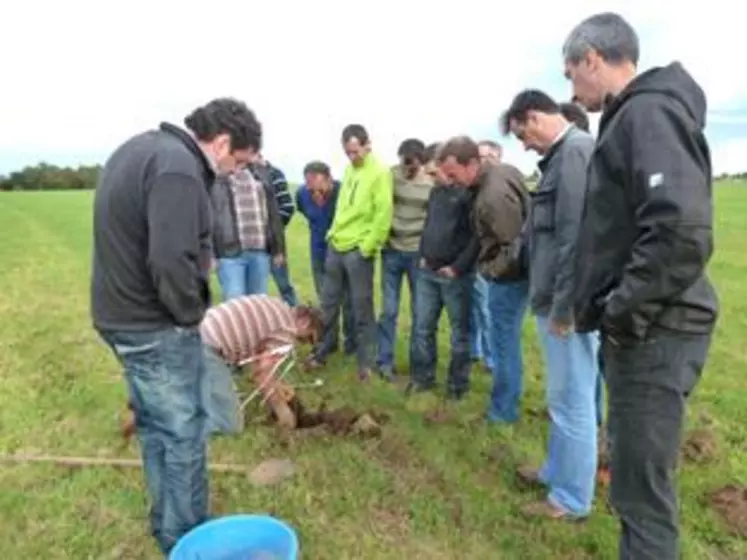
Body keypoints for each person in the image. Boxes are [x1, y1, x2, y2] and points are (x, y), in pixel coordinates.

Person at [563, 12, 718, 559]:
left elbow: (680, 229)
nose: (571, 88)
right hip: (652, 326)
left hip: (655, 330)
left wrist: (622, 313)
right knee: (634, 483)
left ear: (592, 59)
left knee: (642, 495)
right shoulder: (635, 116)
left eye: (570, 73)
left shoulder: (647, 113)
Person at [91, 97, 262, 555]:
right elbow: (171, 260)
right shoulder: (180, 169)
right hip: (154, 326)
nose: (233, 173)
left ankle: (164, 524)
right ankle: (189, 540)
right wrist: (190, 317)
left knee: (154, 427)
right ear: (222, 142)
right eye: (238, 162)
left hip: (120, 318)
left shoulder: (141, 150)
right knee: (185, 433)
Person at [501, 89, 599, 520]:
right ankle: (556, 471)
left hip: (567, 306)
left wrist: (565, 307)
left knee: (574, 400)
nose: (524, 145)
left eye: (523, 134)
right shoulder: (563, 156)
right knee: (562, 397)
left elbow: (576, 238)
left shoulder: (576, 153)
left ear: (535, 116)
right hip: (555, 300)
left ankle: (571, 500)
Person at [437, 136, 530, 423]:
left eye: (454, 174)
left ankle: (502, 413)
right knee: (505, 342)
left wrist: (489, 271)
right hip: (511, 274)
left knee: (503, 345)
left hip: (509, 279)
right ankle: (505, 406)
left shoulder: (492, 196)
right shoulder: (502, 173)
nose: (451, 181)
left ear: (472, 164)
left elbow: (513, 246)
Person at [305, 125, 394, 381]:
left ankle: (366, 363)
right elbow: (343, 206)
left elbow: (383, 214)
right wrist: (332, 233)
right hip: (336, 246)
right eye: (348, 152)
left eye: (356, 152)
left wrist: (367, 247)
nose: (352, 157)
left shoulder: (379, 172)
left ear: (368, 144)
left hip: (358, 251)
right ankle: (322, 351)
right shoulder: (349, 169)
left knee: (361, 307)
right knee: (328, 304)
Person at [408, 142, 478, 399]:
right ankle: (422, 379)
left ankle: (457, 387)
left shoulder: (469, 195)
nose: (433, 175)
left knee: (460, 334)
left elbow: (477, 237)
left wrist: (457, 268)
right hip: (427, 271)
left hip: (454, 276)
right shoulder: (436, 194)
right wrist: (423, 256)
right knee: (423, 327)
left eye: (435, 170)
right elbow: (430, 226)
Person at [200, 295, 323, 432]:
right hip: (207, 347)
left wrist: (278, 385)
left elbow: (258, 363)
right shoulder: (287, 331)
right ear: (305, 322)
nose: (304, 343)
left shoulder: (278, 306)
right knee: (231, 425)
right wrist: (282, 411)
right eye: (309, 338)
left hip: (197, 329)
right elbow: (262, 374)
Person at [376, 138, 434, 380]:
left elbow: (433, 221)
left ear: (421, 163)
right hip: (391, 252)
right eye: (403, 165)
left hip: (416, 254)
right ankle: (384, 363)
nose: (407, 171)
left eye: (412, 167)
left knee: (420, 312)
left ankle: (417, 367)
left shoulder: (431, 184)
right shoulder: (390, 176)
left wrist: (427, 252)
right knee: (388, 311)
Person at [295, 160, 356, 355]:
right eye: (307, 181)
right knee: (325, 300)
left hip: (341, 252)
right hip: (318, 253)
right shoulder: (302, 195)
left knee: (348, 299)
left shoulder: (343, 192)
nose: (310, 185)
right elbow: (306, 213)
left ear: (328, 178)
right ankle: (329, 341)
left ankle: (351, 344)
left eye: (314, 180)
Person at [211, 154, 286, 300]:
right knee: (234, 305)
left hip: (260, 251)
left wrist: (278, 249)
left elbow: (273, 213)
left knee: (257, 305)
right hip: (229, 253)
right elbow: (208, 216)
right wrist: (211, 253)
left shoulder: (261, 174)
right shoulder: (216, 178)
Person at [254, 154, 299, 306]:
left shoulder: (275, 174)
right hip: (253, 243)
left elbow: (287, 207)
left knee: (284, 285)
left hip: (274, 242)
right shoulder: (244, 174)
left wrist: (274, 228)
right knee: (257, 290)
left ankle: (297, 319)